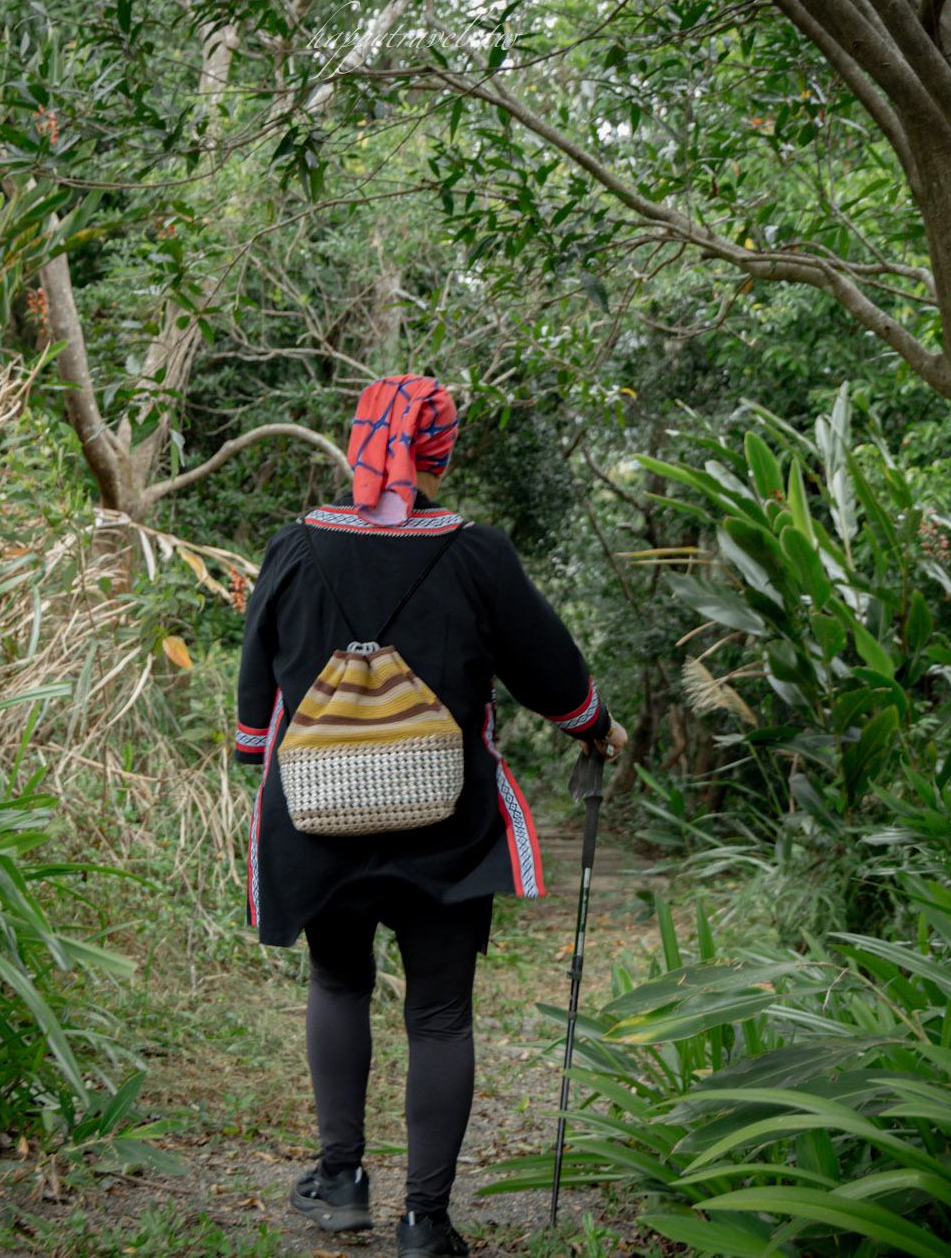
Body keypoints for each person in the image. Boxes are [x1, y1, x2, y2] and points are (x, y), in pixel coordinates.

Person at [233, 374, 626, 1257]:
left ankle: (340, 1182)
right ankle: (425, 1221)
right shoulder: (476, 553)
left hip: (319, 817)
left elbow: (258, 691)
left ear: (358, 441)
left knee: (338, 982)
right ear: (438, 451)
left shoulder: (293, 547)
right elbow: (552, 669)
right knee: (441, 1015)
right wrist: (594, 728)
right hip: (446, 828)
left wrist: (260, 748)